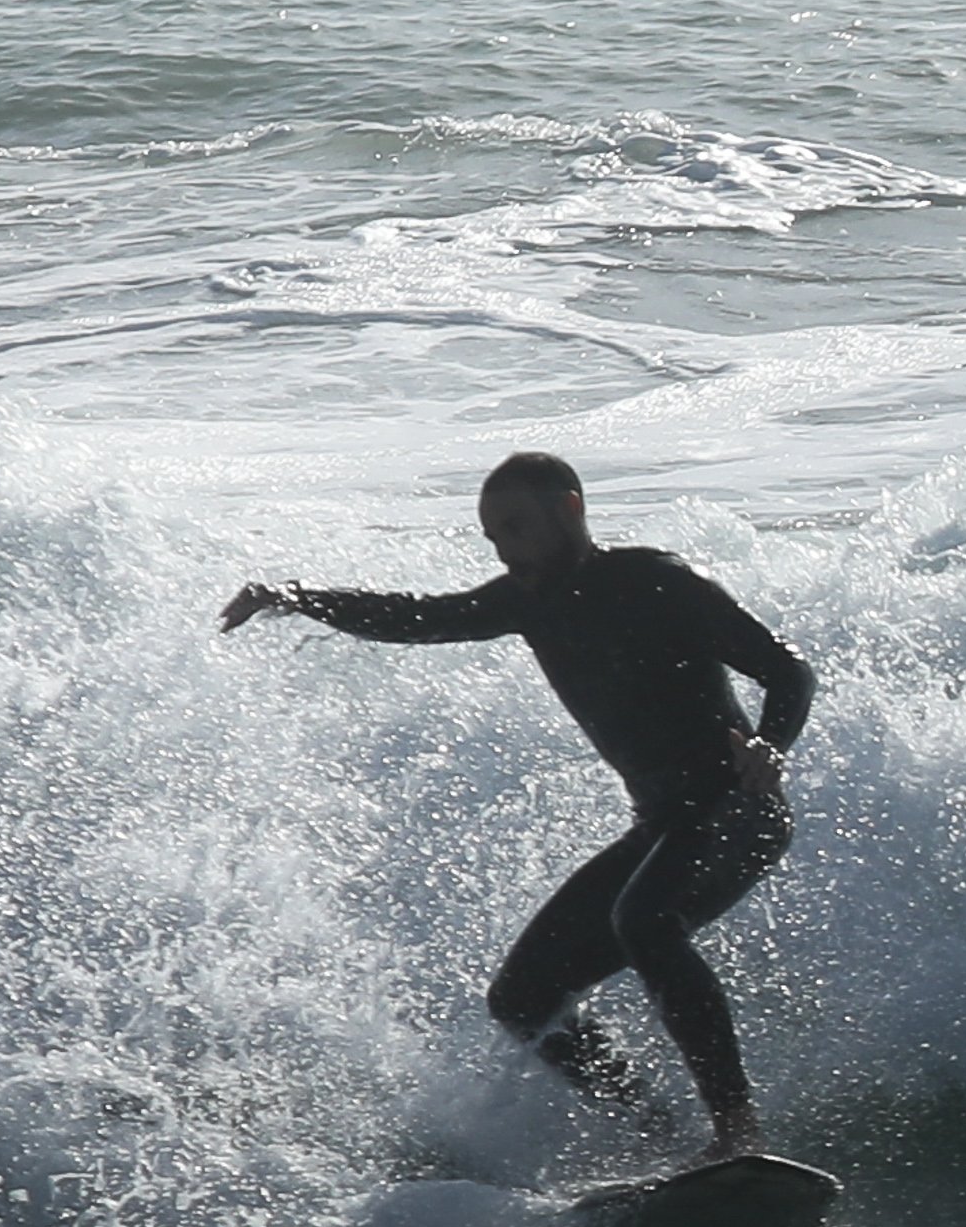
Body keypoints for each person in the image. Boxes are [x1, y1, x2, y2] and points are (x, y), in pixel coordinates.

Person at [221, 451, 815, 1164]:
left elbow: (787, 668)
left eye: (516, 528)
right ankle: (666, 1139)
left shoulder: (658, 581)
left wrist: (772, 747)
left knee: (645, 919)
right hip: (666, 825)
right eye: (493, 537)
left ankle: (737, 1130)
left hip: (737, 809)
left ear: (568, 509)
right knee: (522, 995)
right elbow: (419, 617)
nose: (505, 548)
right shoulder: (525, 599)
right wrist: (297, 595)